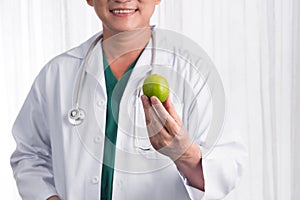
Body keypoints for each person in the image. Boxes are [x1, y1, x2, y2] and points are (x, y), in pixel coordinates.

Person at [10, 0, 247, 199]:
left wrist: (184, 153)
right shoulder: (58, 74)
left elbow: (229, 165)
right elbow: (29, 154)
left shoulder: (193, 73)